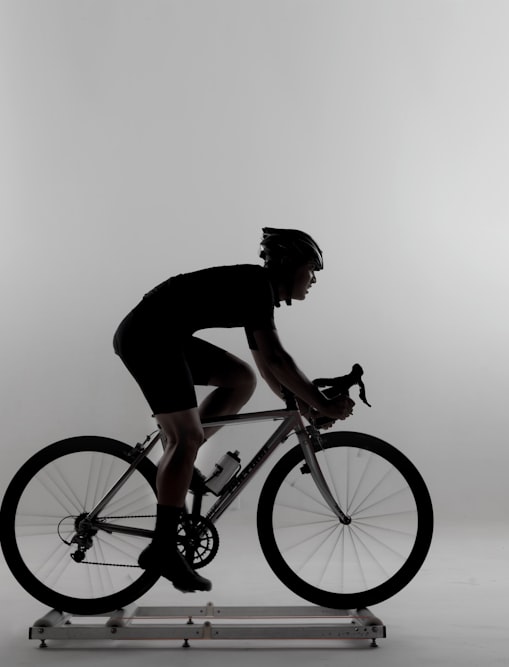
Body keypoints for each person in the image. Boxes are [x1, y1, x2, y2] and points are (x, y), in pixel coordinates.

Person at [112, 228, 355, 592]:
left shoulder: (257, 292)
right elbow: (278, 358)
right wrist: (322, 405)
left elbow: (267, 369)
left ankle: (179, 449)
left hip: (161, 335)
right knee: (187, 436)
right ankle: (162, 547)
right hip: (149, 338)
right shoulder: (257, 288)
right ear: (290, 267)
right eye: (311, 269)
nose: (314, 279)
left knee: (240, 379)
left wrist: (304, 408)